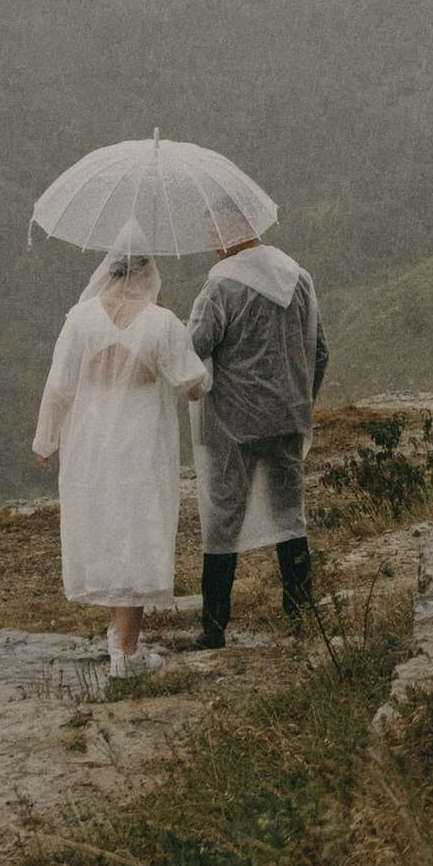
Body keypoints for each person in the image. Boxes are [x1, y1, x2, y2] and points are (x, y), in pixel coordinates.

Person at [33, 254, 211, 676]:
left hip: (90, 442)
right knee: (135, 531)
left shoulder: (79, 318)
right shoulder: (160, 322)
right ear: (150, 276)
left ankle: (120, 638)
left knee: (108, 528)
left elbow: (59, 384)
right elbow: (192, 387)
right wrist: (183, 338)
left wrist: (45, 439)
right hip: (140, 441)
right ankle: (128, 656)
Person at [189, 203, 329, 647]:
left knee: (222, 522)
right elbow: (320, 351)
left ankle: (213, 629)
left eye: (213, 232)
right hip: (287, 419)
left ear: (232, 232)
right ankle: (302, 616)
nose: (212, 243)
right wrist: (299, 403)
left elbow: (194, 349)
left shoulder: (221, 287)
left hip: (234, 427)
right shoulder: (297, 277)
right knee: (290, 518)